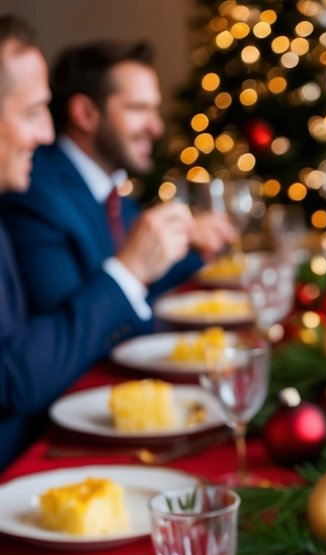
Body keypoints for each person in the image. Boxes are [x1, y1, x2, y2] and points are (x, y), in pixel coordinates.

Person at [0, 16, 193, 468]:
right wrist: (128, 271)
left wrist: (187, 247)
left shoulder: (107, 191)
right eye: (32, 112)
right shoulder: (32, 195)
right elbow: (20, 376)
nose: (46, 134)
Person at [0, 40, 235, 319]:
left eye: (154, 109)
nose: (156, 127)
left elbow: (138, 289)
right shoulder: (33, 193)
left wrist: (195, 248)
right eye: (138, 109)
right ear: (85, 113)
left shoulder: (113, 194)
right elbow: (65, 333)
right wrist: (131, 268)